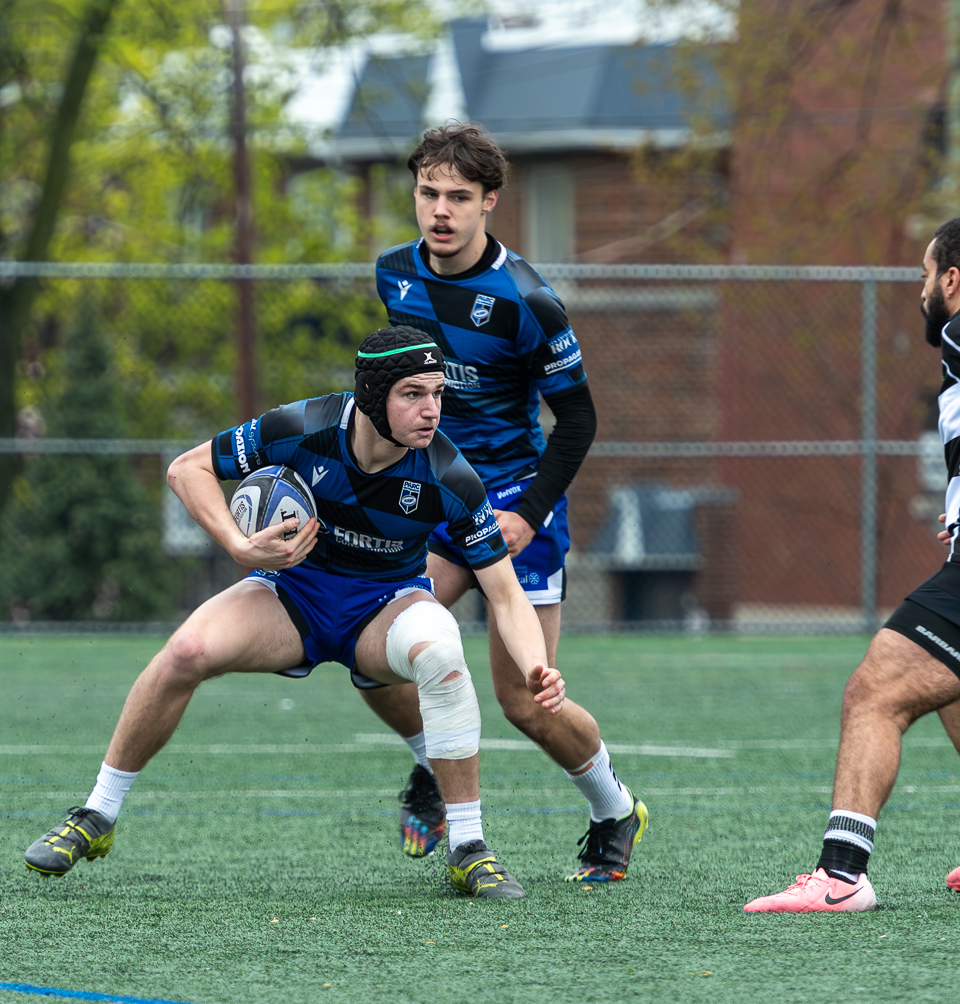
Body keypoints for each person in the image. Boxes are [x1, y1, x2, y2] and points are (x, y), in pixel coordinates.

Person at [24, 326, 565, 900]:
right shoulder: (302, 427)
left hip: (384, 605)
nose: (431, 410)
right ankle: (97, 815)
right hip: (291, 595)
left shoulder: (449, 474)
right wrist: (239, 545)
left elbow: (505, 594)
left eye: (437, 393)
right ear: (374, 394)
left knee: (444, 652)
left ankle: (468, 847)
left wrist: (536, 666)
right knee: (185, 651)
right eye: (413, 393)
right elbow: (187, 470)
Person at [745, 215, 960, 913]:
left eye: (925, 275)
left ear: (951, 278)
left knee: (875, 691)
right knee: (949, 672)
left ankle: (840, 877)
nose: (920, 290)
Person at [363, 120, 648, 883]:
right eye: (429, 192)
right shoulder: (393, 274)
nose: (441, 210)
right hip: (429, 500)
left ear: (491, 201)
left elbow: (579, 420)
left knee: (528, 703)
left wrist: (529, 511)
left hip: (514, 503)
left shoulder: (528, 300)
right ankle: (432, 765)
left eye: (459, 196)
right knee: (370, 656)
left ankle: (615, 809)